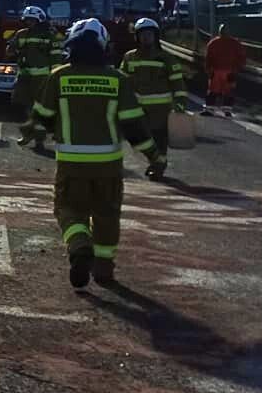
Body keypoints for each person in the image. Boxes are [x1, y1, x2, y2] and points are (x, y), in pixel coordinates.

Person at [29, 17, 162, 288]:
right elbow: (135, 127)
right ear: (103, 46)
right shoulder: (117, 80)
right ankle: (103, 269)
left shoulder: (59, 76)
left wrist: (33, 130)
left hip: (71, 164)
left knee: (68, 210)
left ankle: (79, 245)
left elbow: (42, 117)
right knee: (107, 216)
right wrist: (156, 158)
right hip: (108, 166)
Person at [120, 16, 183, 180]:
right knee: (138, 139)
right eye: (142, 34)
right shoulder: (129, 58)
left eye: (149, 34)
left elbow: (178, 83)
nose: (146, 37)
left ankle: (159, 166)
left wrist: (181, 103)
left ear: (155, 36)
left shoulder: (166, 58)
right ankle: (155, 162)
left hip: (160, 111)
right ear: (137, 37)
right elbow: (122, 82)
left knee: (159, 140)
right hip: (136, 110)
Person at [11, 6, 56, 148]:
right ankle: (32, 134)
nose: (29, 23)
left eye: (32, 20)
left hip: (42, 78)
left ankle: (37, 138)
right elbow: (10, 50)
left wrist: (55, 75)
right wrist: (14, 49)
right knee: (27, 105)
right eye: (27, 20)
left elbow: (56, 55)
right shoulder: (21, 34)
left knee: (39, 108)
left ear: (40, 20)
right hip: (24, 76)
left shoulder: (49, 35)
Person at [203, 24, 247, 109]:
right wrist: (237, 69)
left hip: (216, 72)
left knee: (213, 90)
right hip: (230, 72)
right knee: (228, 91)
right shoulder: (235, 43)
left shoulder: (213, 43)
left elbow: (208, 58)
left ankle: (209, 108)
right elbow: (242, 58)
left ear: (220, 32)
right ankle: (227, 109)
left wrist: (208, 70)